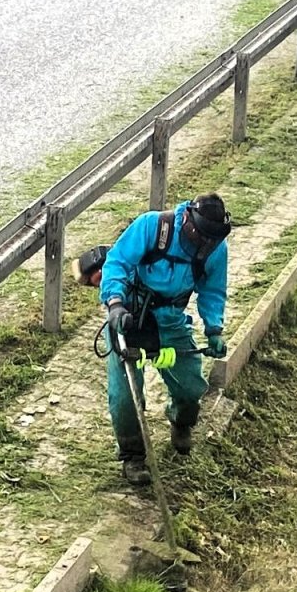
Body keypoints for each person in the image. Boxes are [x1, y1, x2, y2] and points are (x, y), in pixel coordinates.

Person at [100, 193, 231, 484]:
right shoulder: (153, 227)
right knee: (125, 395)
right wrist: (115, 303)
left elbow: (213, 290)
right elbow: (117, 262)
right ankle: (133, 455)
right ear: (188, 221)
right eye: (202, 238)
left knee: (190, 386)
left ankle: (181, 420)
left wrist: (214, 329)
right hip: (131, 314)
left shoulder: (215, 249)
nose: (205, 244)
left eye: (212, 240)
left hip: (170, 319)